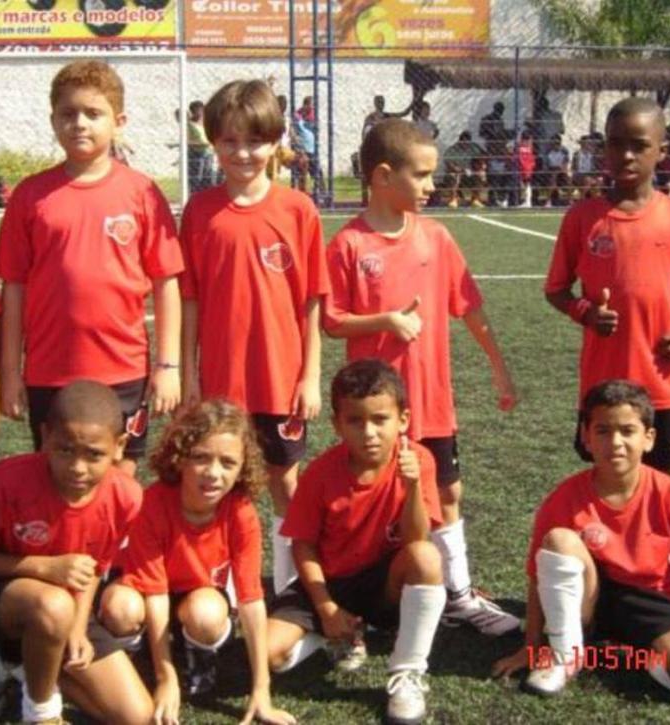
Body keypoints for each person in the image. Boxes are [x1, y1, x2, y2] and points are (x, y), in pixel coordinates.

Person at [324, 118, 520, 637]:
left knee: (448, 493)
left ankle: (458, 594)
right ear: (384, 176)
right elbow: (330, 319)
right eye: (423, 174)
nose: (433, 185)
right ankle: (368, 597)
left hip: (432, 402)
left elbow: (470, 308)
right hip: (376, 415)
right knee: (378, 500)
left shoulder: (436, 237)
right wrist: (385, 320)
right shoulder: (348, 244)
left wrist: (499, 369)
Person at [0, 60, 184, 476]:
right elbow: (13, 289)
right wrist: (10, 374)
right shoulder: (30, 196)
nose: (79, 123)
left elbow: (166, 282)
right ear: (53, 120)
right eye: (68, 113)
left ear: (118, 122)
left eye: (93, 113)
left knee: (121, 480)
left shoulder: (142, 193)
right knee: (56, 480)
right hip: (49, 372)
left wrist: (167, 366)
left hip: (122, 371)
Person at [493, 380, 670, 695]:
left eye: (627, 431)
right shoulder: (564, 497)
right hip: (588, 597)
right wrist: (529, 648)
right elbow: (536, 577)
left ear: (648, 438)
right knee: (559, 540)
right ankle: (564, 654)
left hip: (648, 599)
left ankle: (612, 652)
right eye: (603, 431)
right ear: (586, 437)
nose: (615, 442)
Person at [179, 79, 329, 595]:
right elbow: (190, 301)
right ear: (214, 142)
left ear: (276, 141)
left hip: (281, 380)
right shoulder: (199, 213)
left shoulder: (298, 210)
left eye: (255, 141)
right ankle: (217, 589)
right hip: (221, 384)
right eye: (229, 141)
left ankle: (290, 591)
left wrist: (310, 376)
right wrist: (189, 375)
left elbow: (312, 300)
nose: (243, 153)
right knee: (217, 484)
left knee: (286, 483)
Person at [545, 97, 670, 473]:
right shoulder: (582, 218)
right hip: (602, 380)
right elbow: (556, 288)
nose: (626, 155)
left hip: (662, 382)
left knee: (662, 483)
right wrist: (585, 312)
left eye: (639, 145)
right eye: (616, 144)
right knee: (603, 480)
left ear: (661, 151)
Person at [0, 381, 150, 724]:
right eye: (64, 450)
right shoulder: (7, 480)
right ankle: (41, 712)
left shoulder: (127, 496)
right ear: (44, 436)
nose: (77, 467)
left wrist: (76, 630)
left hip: (67, 605)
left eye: (94, 455)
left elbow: (93, 569)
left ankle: (16, 665)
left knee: (135, 716)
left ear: (119, 447)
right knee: (51, 605)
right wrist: (45, 568)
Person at [267, 360, 445, 725]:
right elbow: (302, 545)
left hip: (383, 584)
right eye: (355, 421)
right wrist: (327, 608)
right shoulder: (320, 472)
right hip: (331, 582)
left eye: (380, 419)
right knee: (268, 656)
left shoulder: (419, 461)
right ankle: (336, 633)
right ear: (337, 425)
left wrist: (411, 486)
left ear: (403, 420)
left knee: (426, 558)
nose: (369, 433)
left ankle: (407, 673)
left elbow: (416, 539)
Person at [102, 400, 295, 725]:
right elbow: (155, 592)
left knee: (206, 613)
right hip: (149, 595)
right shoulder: (153, 503)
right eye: (201, 457)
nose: (213, 473)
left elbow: (251, 599)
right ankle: (139, 659)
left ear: (242, 467)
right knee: (120, 607)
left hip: (197, 597)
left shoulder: (241, 512)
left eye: (228, 462)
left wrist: (261, 688)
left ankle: (197, 657)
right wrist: (165, 677)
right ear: (179, 458)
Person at [187, 100, 215, 193]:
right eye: (197, 110)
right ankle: (195, 196)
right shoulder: (189, 125)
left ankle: (206, 197)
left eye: (201, 110)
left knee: (207, 177)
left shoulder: (205, 123)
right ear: (192, 111)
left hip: (208, 153)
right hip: (196, 154)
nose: (200, 112)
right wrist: (201, 143)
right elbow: (188, 140)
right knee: (196, 178)